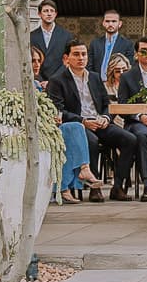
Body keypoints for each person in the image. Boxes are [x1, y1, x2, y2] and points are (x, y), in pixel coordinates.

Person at [45, 41, 139, 203]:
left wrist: (105, 117)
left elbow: (106, 104)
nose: (81, 58)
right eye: (76, 54)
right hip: (79, 126)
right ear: (66, 58)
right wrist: (83, 121)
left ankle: (118, 187)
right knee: (92, 142)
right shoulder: (57, 80)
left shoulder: (94, 77)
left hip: (99, 122)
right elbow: (58, 110)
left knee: (129, 139)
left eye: (84, 54)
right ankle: (95, 188)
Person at [30, 46, 102, 204]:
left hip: (54, 124)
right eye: (32, 61)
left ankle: (78, 175)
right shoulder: (43, 82)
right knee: (73, 129)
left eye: (38, 61)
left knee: (75, 128)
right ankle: (69, 183)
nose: (36, 64)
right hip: (37, 128)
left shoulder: (38, 82)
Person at [116, 39, 147, 202]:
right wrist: (140, 116)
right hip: (138, 122)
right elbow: (123, 104)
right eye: (144, 50)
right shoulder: (127, 77)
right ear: (136, 54)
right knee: (141, 136)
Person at [30, 0, 74, 82]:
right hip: (38, 83)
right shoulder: (31, 36)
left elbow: (68, 60)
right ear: (39, 14)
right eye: (45, 11)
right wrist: (40, 80)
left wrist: (52, 81)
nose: (49, 14)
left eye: (52, 11)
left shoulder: (66, 36)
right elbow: (29, 60)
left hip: (60, 81)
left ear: (55, 14)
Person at [87, 9, 135, 75]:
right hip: (97, 80)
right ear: (103, 23)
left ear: (120, 24)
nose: (110, 24)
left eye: (114, 21)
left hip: (118, 80)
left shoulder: (127, 44)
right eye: (107, 21)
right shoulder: (94, 43)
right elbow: (89, 66)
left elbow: (129, 67)